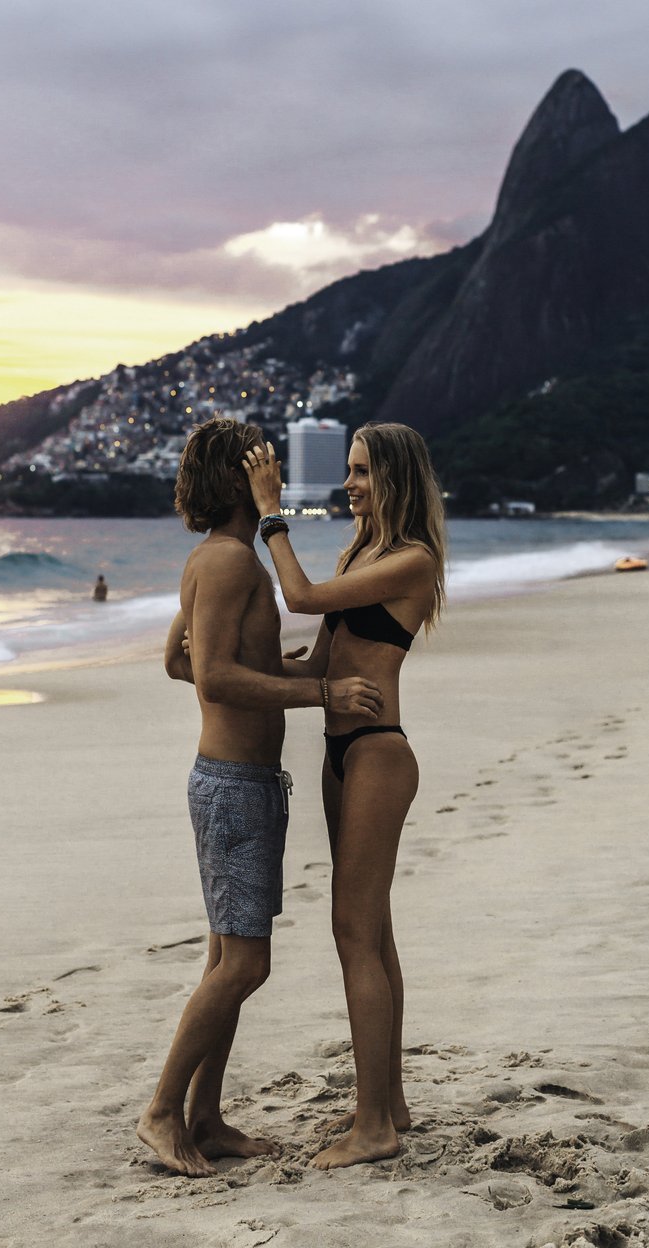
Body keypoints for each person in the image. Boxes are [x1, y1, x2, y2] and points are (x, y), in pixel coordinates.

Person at [137, 417, 383, 1178]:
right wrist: (317, 689)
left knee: (225, 954)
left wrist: (269, 669)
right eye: (264, 465)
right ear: (243, 478)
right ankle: (160, 1112)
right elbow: (208, 675)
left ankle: (205, 1117)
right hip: (233, 787)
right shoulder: (234, 567)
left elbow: (179, 662)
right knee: (244, 965)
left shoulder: (213, 559)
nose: (273, 473)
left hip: (235, 783)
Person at [244, 422, 447, 1169]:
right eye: (350, 471)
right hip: (340, 752)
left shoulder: (411, 559)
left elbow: (298, 594)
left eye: (361, 473)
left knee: (353, 932)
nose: (350, 484)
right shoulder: (361, 551)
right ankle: (387, 1103)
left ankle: (374, 1129)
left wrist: (271, 514)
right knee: (373, 931)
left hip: (378, 754)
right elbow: (320, 659)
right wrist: (237, 667)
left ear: (394, 478)